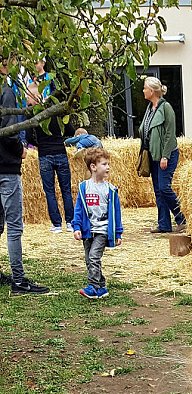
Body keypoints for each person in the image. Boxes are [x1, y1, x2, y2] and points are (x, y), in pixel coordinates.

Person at [0, 62, 48, 295]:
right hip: (6, 167)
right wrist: (19, 148)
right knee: (14, 227)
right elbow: (9, 129)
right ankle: (18, 280)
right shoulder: (6, 91)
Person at [72, 147, 123, 300]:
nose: (108, 167)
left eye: (108, 164)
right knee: (89, 259)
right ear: (93, 167)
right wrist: (76, 227)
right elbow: (79, 209)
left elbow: (116, 213)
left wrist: (118, 232)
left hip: (102, 230)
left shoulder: (110, 190)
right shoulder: (84, 187)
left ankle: (93, 287)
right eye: (104, 164)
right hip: (88, 230)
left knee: (94, 257)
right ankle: (101, 287)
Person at [139, 76, 186, 234]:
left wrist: (165, 156)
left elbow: (169, 135)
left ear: (152, 91)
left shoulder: (166, 108)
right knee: (158, 191)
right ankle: (164, 224)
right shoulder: (149, 108)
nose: (143, 90)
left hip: (167, 155)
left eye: (145, 88)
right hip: (153, 155)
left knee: (164, 188)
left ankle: (182, 219)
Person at [26, 82, 75, 233]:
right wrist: (59, 138)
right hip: (60, 151)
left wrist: (39, 143)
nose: (27, 100)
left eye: (29, 97)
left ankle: (56, 224)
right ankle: (70, 222)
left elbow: (28, 137)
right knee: (66, 189)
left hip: (45, 154)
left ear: (36, 97)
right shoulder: (57, 111)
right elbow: (71, 130)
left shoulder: (34, 114)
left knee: (50, 191)